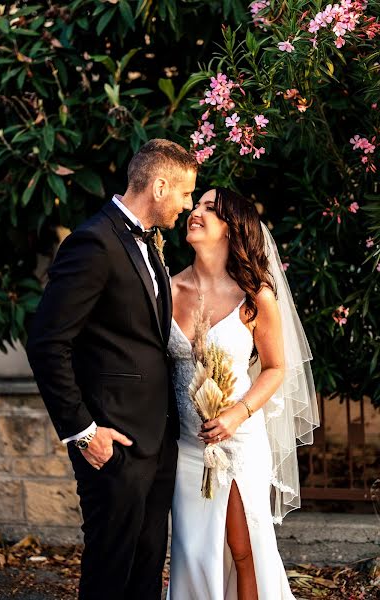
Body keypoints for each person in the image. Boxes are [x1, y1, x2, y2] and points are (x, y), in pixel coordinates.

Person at [26, 139, 197, 600]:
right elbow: (47, 343)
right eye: (184, 194)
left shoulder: (148, 244)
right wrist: (83, 431)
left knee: (145, 564)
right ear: (160, 186)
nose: (188, 204)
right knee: (110, 569)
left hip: (157, 439)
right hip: (113, 440)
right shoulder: (94, 243)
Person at [167, 187, 319, 599]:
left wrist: (238, 412)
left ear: (233, 229)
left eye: (209, 209)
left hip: (238, 441)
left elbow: (275, 368)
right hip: (186, 445)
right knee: (193, 549)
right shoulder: (167, 289)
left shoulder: (256, 296)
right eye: (195, 205)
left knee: (243, 547)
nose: (195, 212)